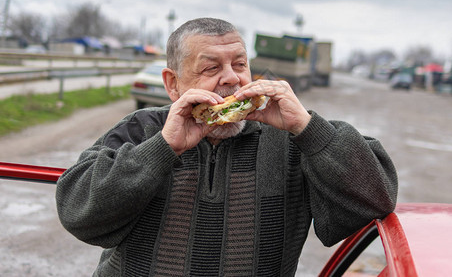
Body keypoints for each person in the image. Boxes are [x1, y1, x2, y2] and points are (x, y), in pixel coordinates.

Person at [56, 17, 398, 277]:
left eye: (239, 64)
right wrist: (162, 148)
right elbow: (78, 212)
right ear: (172, 84)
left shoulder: (294, 138)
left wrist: (307, 128)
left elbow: (374, 200)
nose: (233, 78)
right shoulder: (144, 128)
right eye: (211, 67)